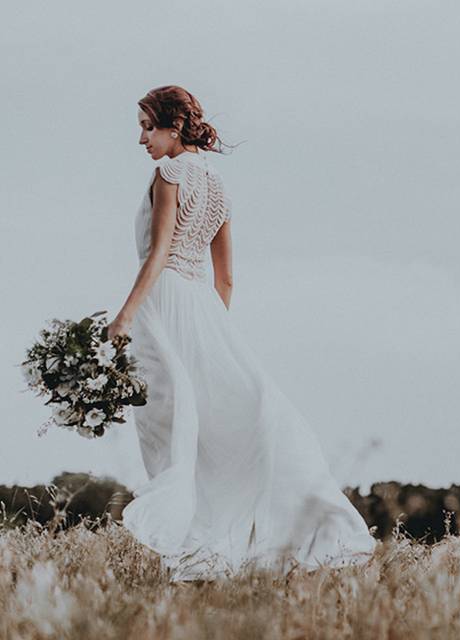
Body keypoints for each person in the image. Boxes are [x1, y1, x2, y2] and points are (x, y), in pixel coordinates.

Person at [106, 85, 378, 582]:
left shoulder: (168, 174)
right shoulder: (219, 187)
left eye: (148, 126)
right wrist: (212, 334)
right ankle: (224, 540)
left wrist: (126, 315)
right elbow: (226, 278)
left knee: (170, 425)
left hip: (163, 301)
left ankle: (193, 543)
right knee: (213, 418)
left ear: (174, 127)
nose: (141, 138)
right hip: (205, 308)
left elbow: (158, 253)